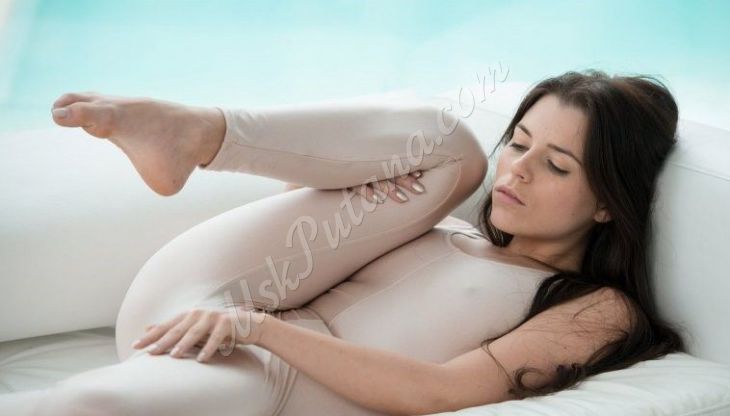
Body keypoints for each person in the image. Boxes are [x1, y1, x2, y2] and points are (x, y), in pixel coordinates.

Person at [34, 69, 685, 416]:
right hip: (204, 299)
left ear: (608, 202)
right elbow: (299, 214)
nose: (515, 171)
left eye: (557, 166)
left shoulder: (598, 309)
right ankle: (199, 132)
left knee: (88, 404)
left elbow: (438, 392)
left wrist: (259, 331)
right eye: (518, 143)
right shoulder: (448, 221)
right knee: (452, 152)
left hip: (267, 374)